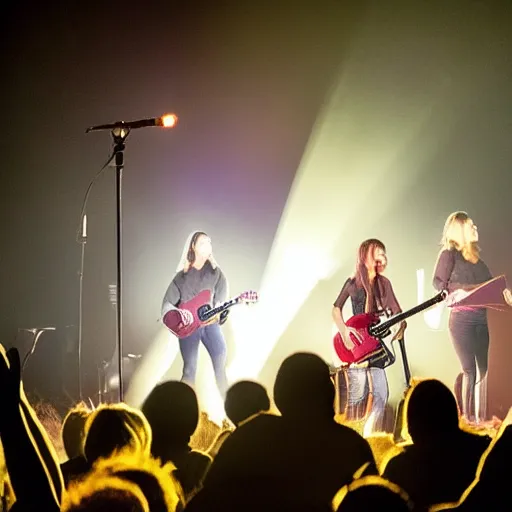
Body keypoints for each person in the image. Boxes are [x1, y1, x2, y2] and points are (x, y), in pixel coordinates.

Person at [332, 239, 405, 436]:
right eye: (379, 252)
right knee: (356, 400)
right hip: (356, 348)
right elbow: (336, 308)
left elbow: (396, 311)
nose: (383, 256)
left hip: (375, 345)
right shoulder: (352, 283)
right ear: (366, 256)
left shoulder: (384, 283)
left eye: (384, 252)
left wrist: (399, 324)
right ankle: (352, 439)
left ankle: (369, 436)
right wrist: (344, 330)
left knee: (381, 395)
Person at [432, 211, 494, 423]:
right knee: (470, 370)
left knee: (483, 370)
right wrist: (462, 290)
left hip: (481, 319)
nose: (476, 227)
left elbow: (493, 285)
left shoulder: (479, 262)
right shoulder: (449, 255)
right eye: (471, 225)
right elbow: (438, 282)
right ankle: (468, 419)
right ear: (459, 229)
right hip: (461, 320)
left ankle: (479, 417)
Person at [162, 231, 229, 398]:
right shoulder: (180, 278)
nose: (208, 246)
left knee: (221, 366)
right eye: (203, 243)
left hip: (210, 324)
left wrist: (221, 312)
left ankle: (232, 409)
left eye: (209, 242)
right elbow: (167, 306)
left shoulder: (217, 274)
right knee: (189, 369)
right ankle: (183, 410)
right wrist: (178, 314)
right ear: (193, 247)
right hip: (189, 327)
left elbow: (221, 300)